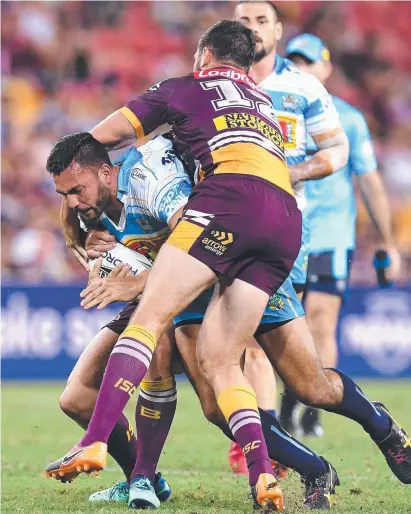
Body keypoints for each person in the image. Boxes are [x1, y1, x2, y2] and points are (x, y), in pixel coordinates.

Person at [45, 20, 302, 511]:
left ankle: (104, 447)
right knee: (226, 364)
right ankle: (264, 475)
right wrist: (82, 224)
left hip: (223, 214)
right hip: (284, 217)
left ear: (203, 56)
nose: (76, 201)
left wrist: (141, 280)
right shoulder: (262, 104)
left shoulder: (176, 108)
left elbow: (91, 142)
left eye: (77, 192)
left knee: (151, 330)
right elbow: (84, 166)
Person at [229, 0, 350, 471]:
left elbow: (336, 147)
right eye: (244, 21)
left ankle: (260, 444)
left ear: (278, 31)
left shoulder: (301, 87)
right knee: (221, 343)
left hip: (281, 229)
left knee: (262, 343)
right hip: (219, 227)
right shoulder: (214, 82)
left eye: (262, 20)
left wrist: (297, 169)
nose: (254, 29)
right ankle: (256, 439)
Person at [279, 33, 402, 437]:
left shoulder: (346, 118)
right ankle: (290, 401)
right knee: (285, 322)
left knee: (321, 321)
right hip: (287, 233)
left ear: (326, 68)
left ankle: (311, 407)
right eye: (295, 62)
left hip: (330, 236)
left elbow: (369, 182)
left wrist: (386, 241)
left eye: (309, 62)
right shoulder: (275, 111)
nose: (302, 69)